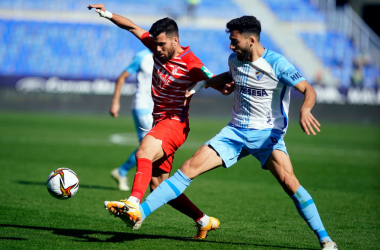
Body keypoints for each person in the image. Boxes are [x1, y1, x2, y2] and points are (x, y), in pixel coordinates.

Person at [105, 16, 339, 250]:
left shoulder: (277, 63)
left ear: (251, 40)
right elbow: (229, 76)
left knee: (290, 183)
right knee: (187, 169)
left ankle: (325, 239)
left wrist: (305, 109)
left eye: (234, 40)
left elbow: (308, 89)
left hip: (267, 136)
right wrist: (202, 84)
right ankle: (139, 213)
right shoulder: (234, 59)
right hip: (234, 133)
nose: (230, 46)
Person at [88, 3, 233, 237]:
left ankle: (133, 203)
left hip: (175, 123)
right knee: (159, 186)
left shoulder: (191, 63)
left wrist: (224, 87)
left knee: (143, 151)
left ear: (175, 41)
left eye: (162, 44)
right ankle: (203, 220)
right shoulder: (156, 48)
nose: (157, 48)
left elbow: (215, 80)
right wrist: (106, 14)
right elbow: (133, 28)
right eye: (155, 43)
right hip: (160, 123)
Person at [109, 49, 154, 191]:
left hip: (156, 108)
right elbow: (121, 77)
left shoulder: (166, 57)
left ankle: (121, 171)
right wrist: (115, 103)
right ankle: (149, 183)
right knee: (153, 143)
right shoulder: (142, 57)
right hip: (142, 105)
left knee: (147, 147)